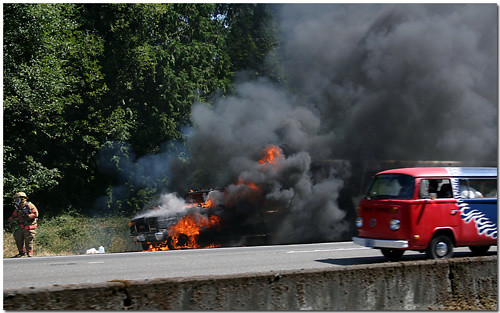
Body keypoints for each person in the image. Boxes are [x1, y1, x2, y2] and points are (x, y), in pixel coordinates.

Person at [8, 192, 39, 257]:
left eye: (17, 199)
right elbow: (14, 215)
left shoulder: (29, 205)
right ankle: (21, 252)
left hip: (29, 226)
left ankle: (29, 253)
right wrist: (9, 220)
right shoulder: (18, 207)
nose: (16, 201)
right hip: (21, 226)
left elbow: (36, 213)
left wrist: (29, 216)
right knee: (17, 237)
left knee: (28, 240)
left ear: (22, 199)